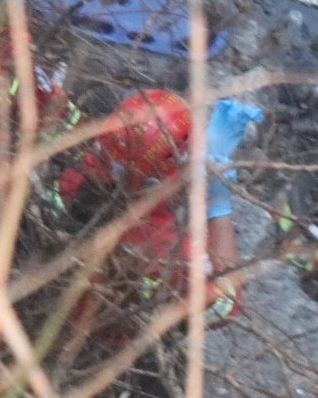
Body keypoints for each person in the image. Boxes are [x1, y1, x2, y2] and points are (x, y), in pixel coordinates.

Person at [53, 89, 258, 330]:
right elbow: (225, 304)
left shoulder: (79, 175)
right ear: (153, 185)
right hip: (110, 344)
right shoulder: (162, 243)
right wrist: (217, 208)